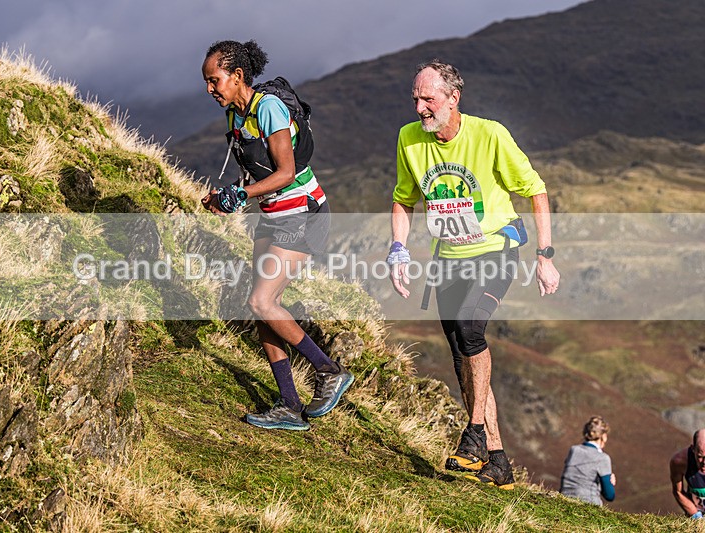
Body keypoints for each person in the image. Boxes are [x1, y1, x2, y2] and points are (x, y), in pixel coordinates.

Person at [388, 60, 560, 489]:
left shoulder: (490, 135)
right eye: (416, 99)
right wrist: (397, 249)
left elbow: (535, 189)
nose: (420, 108)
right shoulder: (409, 140)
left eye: (428, 99)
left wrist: (545, 255)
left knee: (470, 328)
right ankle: (498, 459)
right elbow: (402, 199)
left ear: (453, 98)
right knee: (462, 356)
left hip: (496, 251)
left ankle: (475, 433)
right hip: (448, 260)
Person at [200, 40, 353, 431]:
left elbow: (284, 172)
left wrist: (243, 194)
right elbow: (256, 172)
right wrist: (228, 196)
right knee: (263, 310)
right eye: (206, 82)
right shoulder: (236, 116)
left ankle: (328, 371)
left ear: (237, 77)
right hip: (273, 216)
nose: (210, 89)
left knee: (262, 300)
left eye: (215, 80)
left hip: (303, 212)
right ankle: (289, 404)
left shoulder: (267, 107)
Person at [559, 416, 616, 505]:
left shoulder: (573, 450)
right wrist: (610, 482)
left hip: (563, 500)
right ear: (603, 436)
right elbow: (609, 496)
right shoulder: (602, 458)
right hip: (589, 504)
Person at [670, 429, 705, 519]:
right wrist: (696, 516)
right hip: (697, 511)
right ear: (693, 449)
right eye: (700, 457)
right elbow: (678, 492)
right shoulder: (680, 461)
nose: (704, 462)